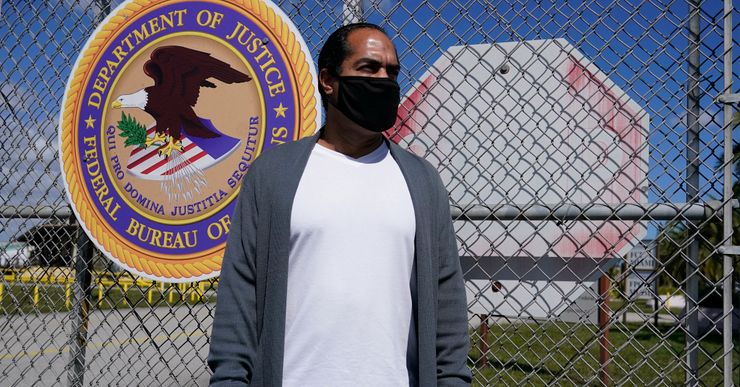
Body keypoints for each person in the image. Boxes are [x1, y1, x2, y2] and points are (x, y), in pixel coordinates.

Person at [208, 22, 471, 387]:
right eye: (368, 68)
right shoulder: (273, 175)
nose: (384, 80)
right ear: (328, 80)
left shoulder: (422, 181)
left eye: (391, 72)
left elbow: (447, 299)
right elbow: (240, 290)